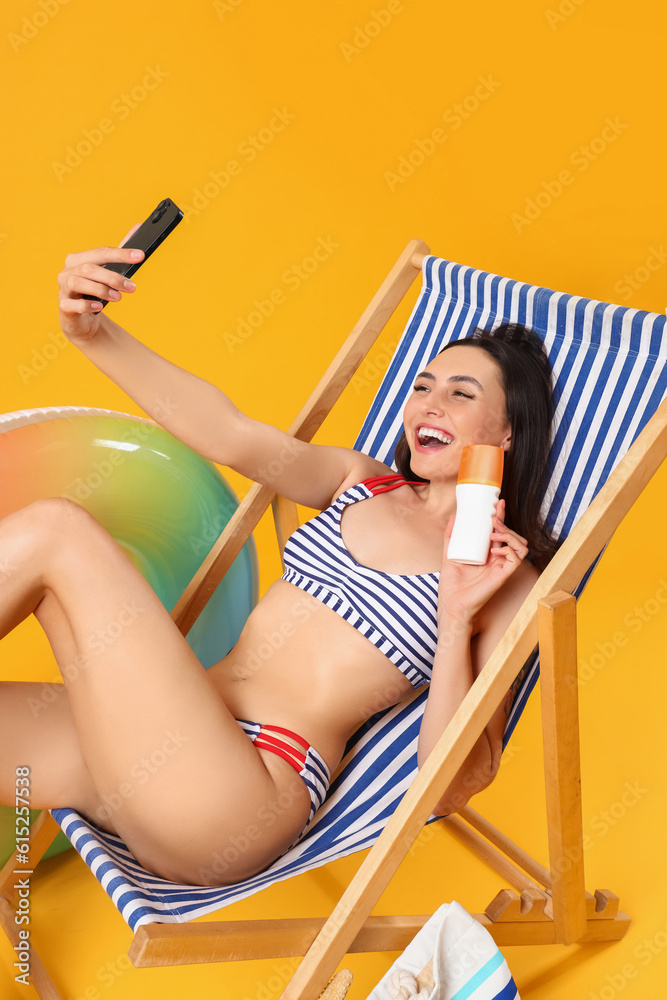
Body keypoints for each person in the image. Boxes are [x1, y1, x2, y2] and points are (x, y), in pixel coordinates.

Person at [0, 234, 558, 887]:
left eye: (460, 394)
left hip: (237, 791)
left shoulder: (505, 579)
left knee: (59, 531)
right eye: (422, 386)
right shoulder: (362, 478)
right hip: (148, 747)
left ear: (510, 430)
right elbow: (229, 433)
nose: (427, 405)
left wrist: (458, 617)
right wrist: (92, 334)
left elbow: (450, 781)